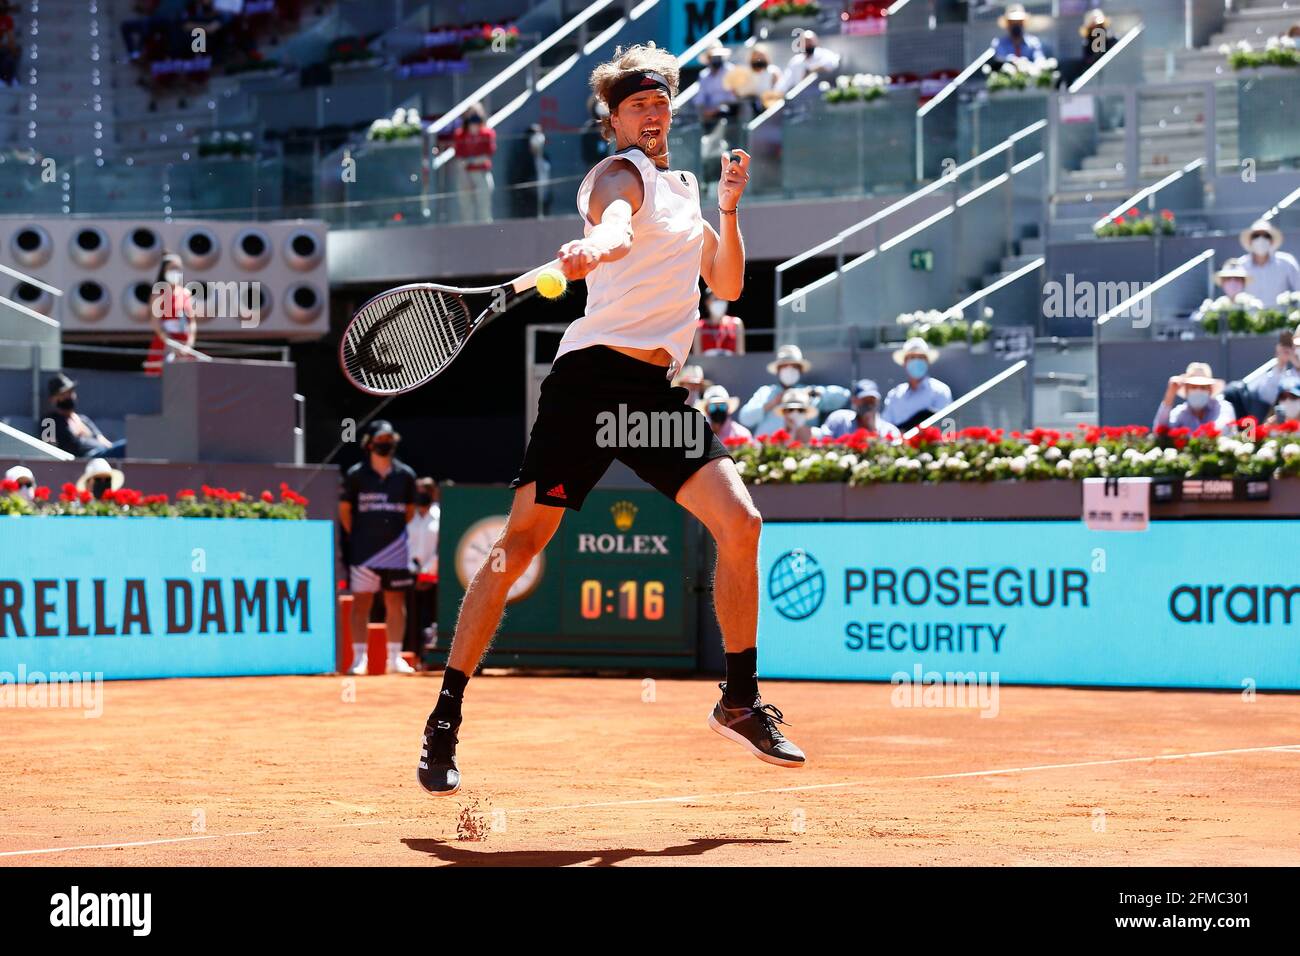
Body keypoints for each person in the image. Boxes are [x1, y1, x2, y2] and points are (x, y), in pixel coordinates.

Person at [416, 43, 805, 798]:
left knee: (742, 523)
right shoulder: (614, 177)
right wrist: (596, 243)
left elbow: (723, 280)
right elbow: (618, 226)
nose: (653, 112)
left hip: (655, 394)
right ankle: (445, 716)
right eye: (637, 105)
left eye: (661, 101)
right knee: (520, 542)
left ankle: (738, 700)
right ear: (614, 119)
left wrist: (727, 207)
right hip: (591, 385)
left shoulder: (685, 186)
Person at [339, 420, 417, 675]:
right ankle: (359, 659)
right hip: (364, 552)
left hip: (396, 551)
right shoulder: (356, 476)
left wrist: (390, 538)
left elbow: (408, 511)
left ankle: (394, 659)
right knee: (362, 602)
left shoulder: (405, 476)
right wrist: (362, 537)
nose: (386, 444)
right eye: (381, 440)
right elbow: (345, 512)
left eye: (389, 439)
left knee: (396, 601)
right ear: (369, 443)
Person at [738, 343, 850, 437]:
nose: (789, 370)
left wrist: (814, 393)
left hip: (801, 452)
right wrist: (773, 403)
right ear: (778, 370)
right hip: (768, 451)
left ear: (800, 370)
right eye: (785, 366)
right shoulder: (766, 392)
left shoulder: (809, 393)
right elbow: (745, 418)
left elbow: (844, 395)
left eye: (794, 367)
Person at [881, 338, 954, 433]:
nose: (916, 361)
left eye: (920, 357)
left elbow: (946, 427)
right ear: (904, 362)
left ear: (927, 362)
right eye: (912, 357)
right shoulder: (894, 395)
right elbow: (885, 428)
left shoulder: (940, 391)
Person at [46, 373, 127, 459]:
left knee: (131, 446)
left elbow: (104, 442)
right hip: (83, 460)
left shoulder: (83, 419)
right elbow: (48, 449)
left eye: (70, 392)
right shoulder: (49, 421)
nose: (69, 396)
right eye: (63, 394)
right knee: (127, 446)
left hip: (103, 455)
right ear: (53, 399)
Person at [144, 252, 199, 375]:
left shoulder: (185, 293)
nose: (176, 271)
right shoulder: (158, 294)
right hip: (165, 343)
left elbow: (192, 323)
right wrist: (171, 344)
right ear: (164, 271)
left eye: (178, 268)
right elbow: (155, 323)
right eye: (172, 268)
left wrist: (188, 345)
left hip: (184, 345)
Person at [406, 477, 441, 665]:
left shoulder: (440, 516)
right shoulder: (410, 516)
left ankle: (427, 658)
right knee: (411, 619)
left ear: (433, 492)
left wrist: (427, 572)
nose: (422, 493)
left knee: (429, 619)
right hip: (409, 575)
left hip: (432, 578)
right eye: (419, 489)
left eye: (426, 490)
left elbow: (441, 548)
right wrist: (412, 570)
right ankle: (411, 658)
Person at [1154, 362, 1238, 432]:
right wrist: (1170, 394)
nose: (1198, 390)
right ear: (1186, 390)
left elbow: (1221, 429)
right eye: (1193, 387)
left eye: (1203, 387)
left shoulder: (1224, 407)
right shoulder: (1181, 412)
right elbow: (1160, 431)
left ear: (1210, 390)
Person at [1235, 220, 1300, 309]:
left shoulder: (1287, 262)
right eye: (1256, 236)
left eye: (1266, 236)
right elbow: (1234, 296)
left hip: (1282, 320)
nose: (1260, 239)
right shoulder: (1240, 265)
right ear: (1250, 241)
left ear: (1272, 241)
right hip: (1249, 320)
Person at [452, 103, 496, 223]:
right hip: (465, 175)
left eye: (476, 113)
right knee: (466, 210)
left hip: (481, 173)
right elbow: (459, 158)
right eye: (471, 114)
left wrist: (470, 161)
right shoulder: (460, 134)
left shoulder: (487, 133)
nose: (473, 117)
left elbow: (487, 156)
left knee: (484, 209)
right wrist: (470, 162)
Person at [824, 379, 902, 441]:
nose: (869, 405)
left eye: (872, 400)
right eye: (864, 400)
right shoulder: (839, 419)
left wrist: (872, 427)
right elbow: (823, 441)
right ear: (854, 400)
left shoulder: (889, 430)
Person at [724, 44, 783, 118]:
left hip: (768, 108)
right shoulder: (744, 72)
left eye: (761, 56)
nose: (759, 58)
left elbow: (778, 91)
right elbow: (736, 90)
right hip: (748, 107)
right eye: (756, 56)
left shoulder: (773, 72)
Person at [510, 123, 552, 219]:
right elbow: (519, 180)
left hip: (544, 201)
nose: (539, 138)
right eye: (535, 134)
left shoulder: (545, 157)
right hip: (529, 204)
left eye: (540, 133)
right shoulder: (523, 159)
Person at [779, 31, 841, 95]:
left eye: (809, 42)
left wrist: (811, 70)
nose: (807, 45)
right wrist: (779, 92)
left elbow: (833, 63)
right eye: (805, 42)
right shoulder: (795, 61)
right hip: (801, 97)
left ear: (815, 42)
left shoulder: (823, 54)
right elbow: (786, 81)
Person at [695, 44, 735, 133]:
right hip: (710, 117)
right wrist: (705, 111)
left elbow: (733, 98)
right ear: (708, 59)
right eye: (713, 57)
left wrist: (717, 109)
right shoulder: (704, 75)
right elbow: (700, 98)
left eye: (717, 56)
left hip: (730, 114)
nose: (715, 59)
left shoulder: (730, 71)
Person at [693, 290, 745, 355]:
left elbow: (740, 355)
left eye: (722, 299)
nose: (719, 302)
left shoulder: (736, 324)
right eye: (716, 299)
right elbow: (697, 356)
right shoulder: (699, 327)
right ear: (707, 302)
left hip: (732, 365)